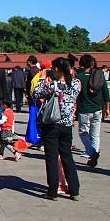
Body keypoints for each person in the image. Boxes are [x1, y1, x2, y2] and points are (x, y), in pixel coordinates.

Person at [33, 57, 81, 201]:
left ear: (57, 69)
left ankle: (52, 190)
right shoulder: (76, 84)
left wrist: (42, 79)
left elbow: (36, 93)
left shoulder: (53, 85)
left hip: (52, 124)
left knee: (52, 157)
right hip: (67, 125)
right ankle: (74, 190)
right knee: (67, 156)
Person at [76, 54, 110, 167]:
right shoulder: (99, 75)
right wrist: (107, 108)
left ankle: (91, 152)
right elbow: (105, 92)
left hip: (84, 109)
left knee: (83, 133)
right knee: (95, 134)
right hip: (97, 108)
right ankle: (93, 155)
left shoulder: (78, 77)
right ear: (92, 63)